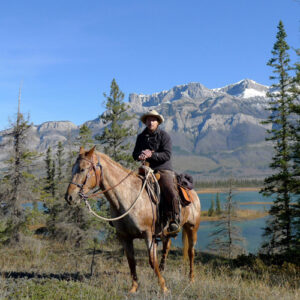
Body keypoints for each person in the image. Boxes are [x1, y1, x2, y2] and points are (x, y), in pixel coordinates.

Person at [132, 109, 180, 233]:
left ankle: (175, 219)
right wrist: (140, 155)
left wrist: (151, 155)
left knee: (170, 190)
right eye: (148, 119)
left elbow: (167, 155)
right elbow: (134, 154)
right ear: (145, 122)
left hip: (163, 169)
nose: (151, 122)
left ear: (158, 122)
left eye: (153, 120)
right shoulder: (141, 137)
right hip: (145, 169)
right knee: (129, 186)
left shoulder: (164, 136)